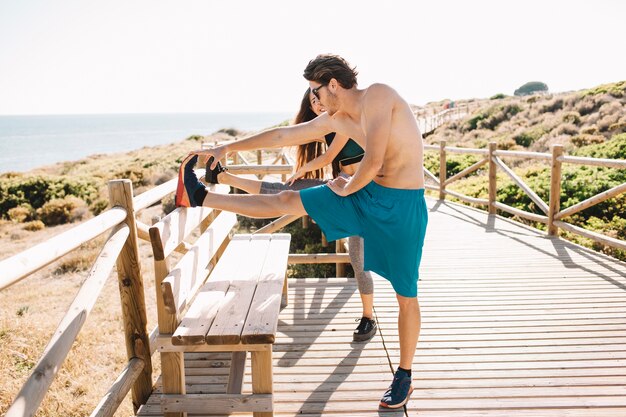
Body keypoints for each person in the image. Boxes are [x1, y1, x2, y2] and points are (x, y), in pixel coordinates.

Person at [176, 54, 427, 409]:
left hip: (401, 205)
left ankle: (404, 374)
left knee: (406, 294)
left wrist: (343, 187)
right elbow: (283, 134)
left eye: (316, 91)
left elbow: (373, 161)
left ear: (333, 84)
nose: (316, 100)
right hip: (364, 194)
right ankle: (202, 196)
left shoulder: (379, 96)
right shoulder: (338, 118)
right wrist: (225, 148)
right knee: (287, 197)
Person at [210, 88, 377, 342]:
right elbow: (285, 137)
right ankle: (223, 177)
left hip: (364, 193)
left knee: (358, 258)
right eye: (313, 103)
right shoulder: (327, 127)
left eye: (318, 98)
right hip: (344, 190)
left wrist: (306, 168)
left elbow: (330, 156)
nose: (318, 105)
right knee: (283, 192)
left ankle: (368, 317)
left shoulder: (344, 118)